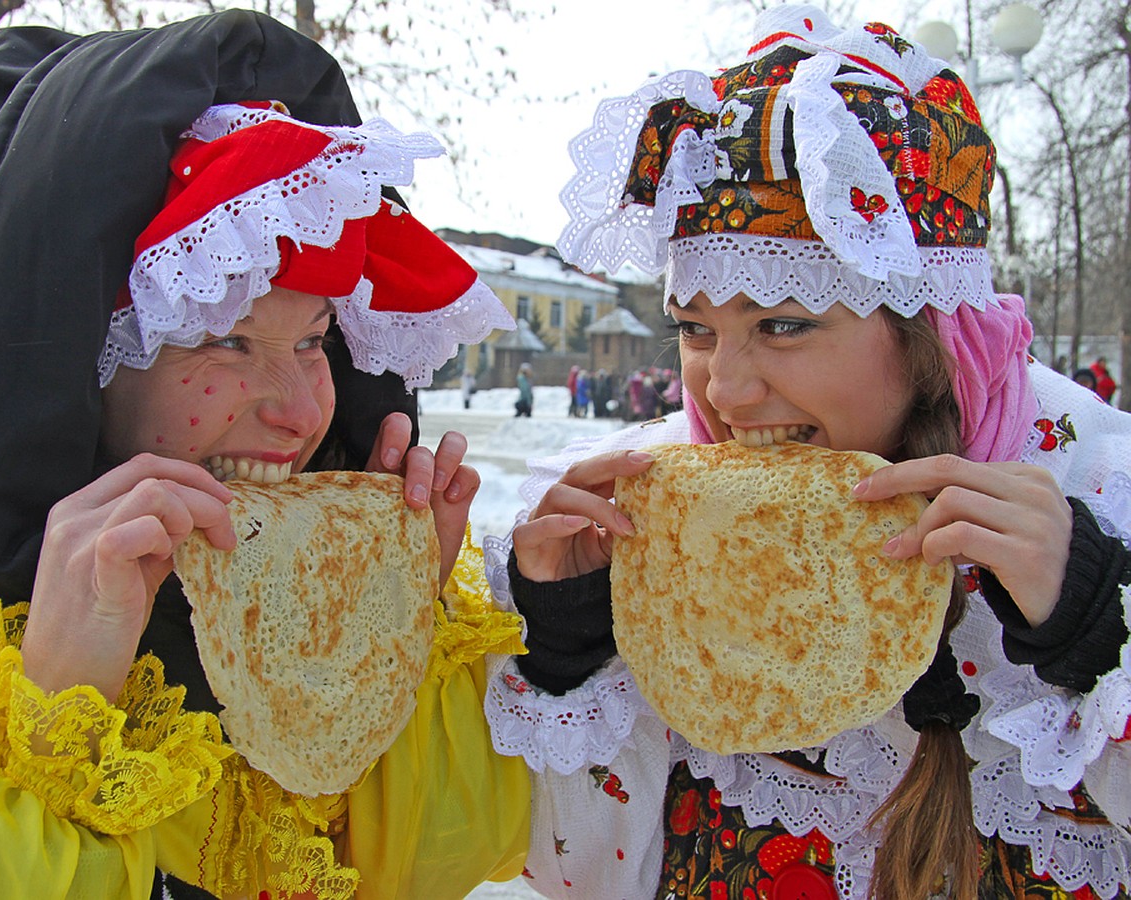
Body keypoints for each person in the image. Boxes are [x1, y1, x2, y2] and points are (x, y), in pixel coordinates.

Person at [482, 8, 1131, 899]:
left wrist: (1095, 631)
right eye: (695, 329)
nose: (724, 389)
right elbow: (579, 877)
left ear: (928, 332)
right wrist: (567, 649)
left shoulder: (1094, 487)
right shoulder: (642, 527)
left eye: (783, 323)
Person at [0, 13, 530, 900]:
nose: (298, 414)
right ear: (65, 368)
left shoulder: (291, 595)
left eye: (317, 340)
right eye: (226, 342)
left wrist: (392, 638)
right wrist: (55, 720)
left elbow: (449, 861)